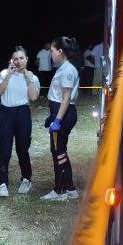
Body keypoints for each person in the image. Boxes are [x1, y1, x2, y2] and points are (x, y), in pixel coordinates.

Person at [0, 45, 40, 198]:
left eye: (21, 58)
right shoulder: (4, 73)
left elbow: (33, 97)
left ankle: (26, 179)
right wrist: (8, 75)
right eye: (15, 59)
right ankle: (2, 183)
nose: (18, 61)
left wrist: (29, 79)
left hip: (23, 113)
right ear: (11, 60)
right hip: (6, 113)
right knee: (5, 150)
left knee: (22, 149)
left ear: (26, 59)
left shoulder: (32, 77)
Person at [42, 36, 82, 201]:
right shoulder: (64, 68)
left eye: (52, 51)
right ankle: (70, 189)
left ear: (61, 51)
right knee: (59, 150)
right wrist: (52, 116)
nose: (50, 53)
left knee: (58, 152)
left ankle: (59, 190)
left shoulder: (67, 71)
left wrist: (57, 120)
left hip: (63, 113)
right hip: (59, 111)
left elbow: (65, 99)